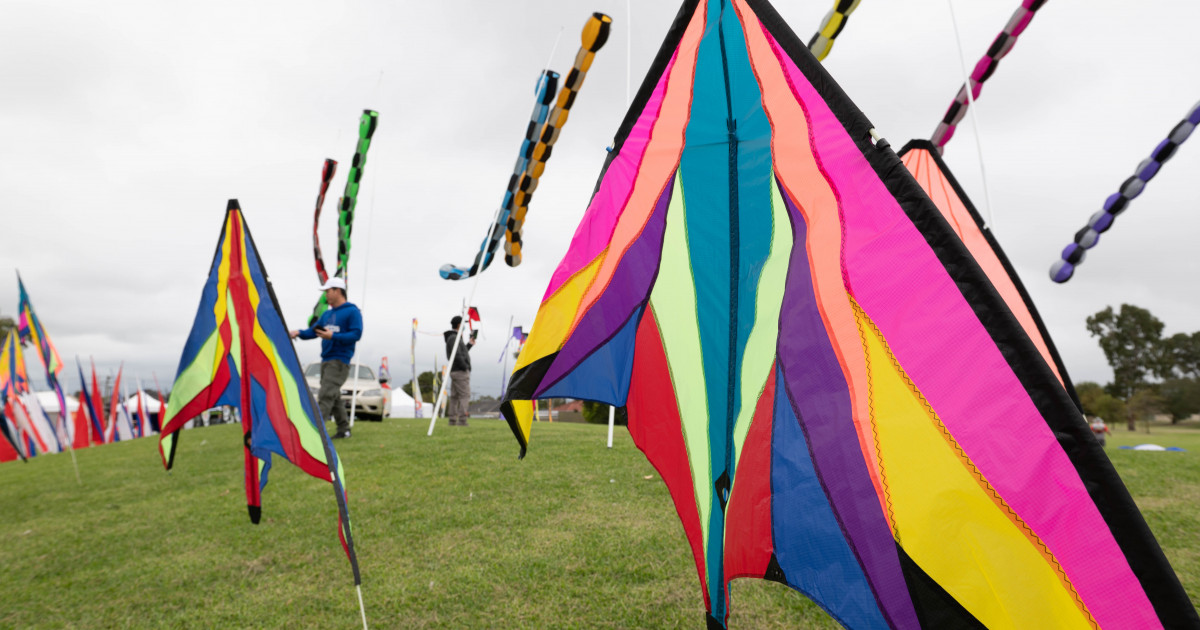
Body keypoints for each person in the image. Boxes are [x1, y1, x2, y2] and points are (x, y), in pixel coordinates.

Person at [289, 277, 362, 439]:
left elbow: (356, 334)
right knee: (333, 395)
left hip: (340, 360)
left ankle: (315, 434)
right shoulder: (327, 314)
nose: (326, 295)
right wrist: (299, 333)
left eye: (328, 291)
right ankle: (344, 430)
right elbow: (313, 332)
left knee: (325, 395)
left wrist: (333, 336)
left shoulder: (352, 311)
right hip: (326, 360)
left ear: (337, 291)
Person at [444, 315, 476, 427]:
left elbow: (461, 352)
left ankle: (452, 420)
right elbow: (457, 355)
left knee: (455, 396)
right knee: (464, 395)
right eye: (463, 324)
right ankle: (462, 420)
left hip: (456, 370)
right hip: (459, 371)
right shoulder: (454, 338)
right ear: (459, 325)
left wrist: (469, 345)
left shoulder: (454, 337)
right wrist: (465, 366)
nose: (465, 326)